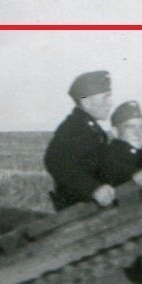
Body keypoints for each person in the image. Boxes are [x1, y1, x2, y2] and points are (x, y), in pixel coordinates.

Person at [44, 70, 116, 210]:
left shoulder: (90, 128)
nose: (110, 103)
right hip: (78, 211)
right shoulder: (74, 128)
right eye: (105, 98)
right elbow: (55, 161)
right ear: (87, 103)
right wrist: (93, 189)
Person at [101, 101, 142, 187]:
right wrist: (130, 178)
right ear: (115, 132)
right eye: (131, 127)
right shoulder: (105, 157)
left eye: (141, 127)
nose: (138, 133)